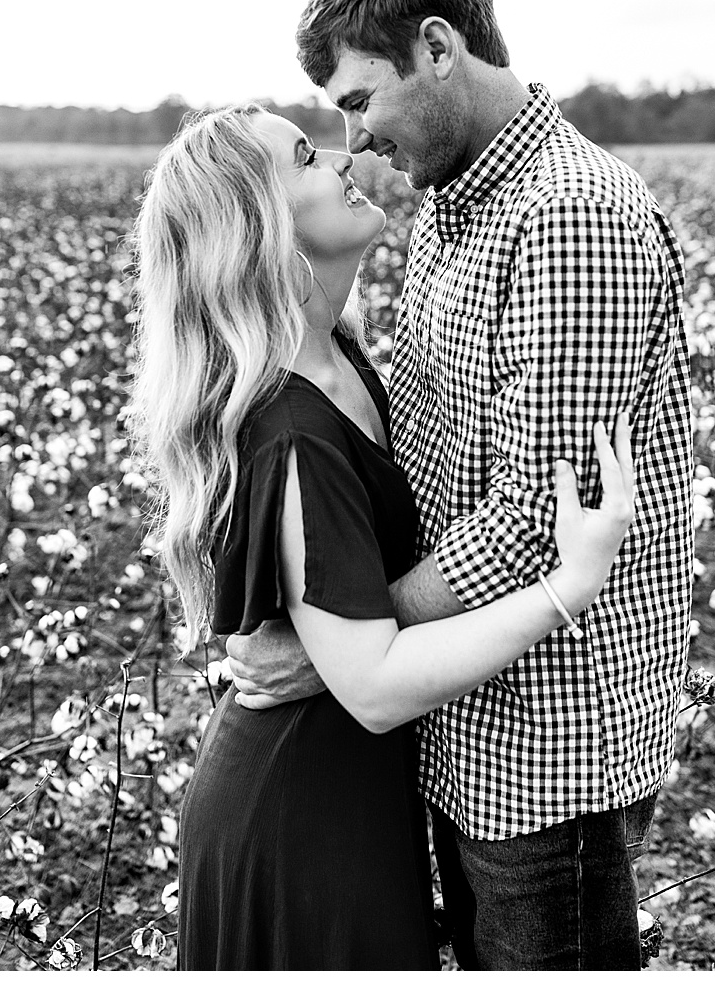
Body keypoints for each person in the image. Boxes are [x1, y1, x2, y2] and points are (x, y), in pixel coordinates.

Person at [226, 0, 694, 969]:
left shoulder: (569, 216)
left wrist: (342, 642)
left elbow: (539, 514)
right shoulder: (452, 206)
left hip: (546, 741)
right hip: (466, 714)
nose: (355, 141)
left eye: (360, 100)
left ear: (438, 48)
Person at [134, 105, 635, 969]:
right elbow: (372, 686)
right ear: (261, 228)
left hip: (342, 795)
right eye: (304, 155)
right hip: (300, 820)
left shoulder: (340, 360)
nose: (344, 153)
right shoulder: (293, 430)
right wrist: (566, 587)